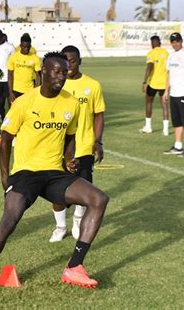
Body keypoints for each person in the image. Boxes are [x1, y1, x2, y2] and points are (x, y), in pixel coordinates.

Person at [0, 52, 109, 307]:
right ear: (43, 71)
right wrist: (4, 175)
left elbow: (71, 135)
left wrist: (67, 158)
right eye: (56, 71)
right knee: (8, 223)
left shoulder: (71, 103)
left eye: (64, 72)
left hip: (54, 173)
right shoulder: (24, 101)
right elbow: (6, 138)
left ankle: (74, 267)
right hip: (25, 173)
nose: (61, 76)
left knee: (98, 198)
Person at [49, 45, 106, 243]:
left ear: (80, 61)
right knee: (57, 190)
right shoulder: (57, 85)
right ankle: (60, 226)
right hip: (58, 148)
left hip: (83, 147)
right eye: (66, 61)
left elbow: (99, 115)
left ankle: (77, 220)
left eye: (73, 61)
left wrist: (98, 141)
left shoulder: (93, 85)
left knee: (84, 187)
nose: (70, 65)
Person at [163, 32, 184, 157]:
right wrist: (166, 90)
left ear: (181, 41)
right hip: (174, 93)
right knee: (177, 121)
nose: (175, 44)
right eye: (173, 42)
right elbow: (169, 75)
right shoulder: (171, 56)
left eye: (177, 41)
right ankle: (178, 146)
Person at [140, 35, 169, 135]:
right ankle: (165, 130)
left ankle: (148, 127)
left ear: (152, 43)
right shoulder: (166, 53)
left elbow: (150, 66)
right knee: (164, 105)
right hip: (164, 83)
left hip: (153, 83)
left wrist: (144, 81)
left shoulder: (151, 53)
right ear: (159, 43)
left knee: (149, 103)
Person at [7, 33, 41, 103]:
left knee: (28, 112)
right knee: (15, 112)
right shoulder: (13, 57)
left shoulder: (35, 58)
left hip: (29, 90)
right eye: (24, 47)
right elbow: (10, 75)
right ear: (20, 46)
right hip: (16, 90)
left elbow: (38, 76)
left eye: (28, 47)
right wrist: (10, 92)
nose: (26, 49)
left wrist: (37, 91)